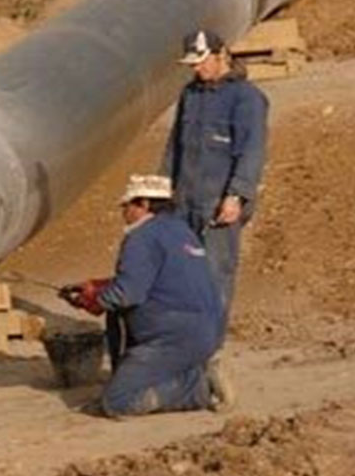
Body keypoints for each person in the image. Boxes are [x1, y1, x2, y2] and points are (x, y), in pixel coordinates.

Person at [60, 175, 231, 416]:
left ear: (144, 204)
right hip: (204, 332)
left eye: (127, 206)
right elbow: (157, 281)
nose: (124, 212)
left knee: (118, 401)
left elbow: (127, 294)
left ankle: (200, 387)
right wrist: (98, 287)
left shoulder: (141, 237)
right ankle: (188, 371)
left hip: (170, 338)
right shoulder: (181, 231)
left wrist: (93, 300)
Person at [160, 29, 269, 327]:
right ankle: (185, 342)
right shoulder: (190, 94)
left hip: (218, 203)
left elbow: (252, 151)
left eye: (201, 61)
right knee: (181, 272)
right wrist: (162, 190)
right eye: (192, 64)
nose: (196, 69)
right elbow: (175, 145)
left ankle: (210, 349)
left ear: (221, 55)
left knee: (214, 273)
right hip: (185, 201)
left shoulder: (247, 98)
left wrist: (236, 196)